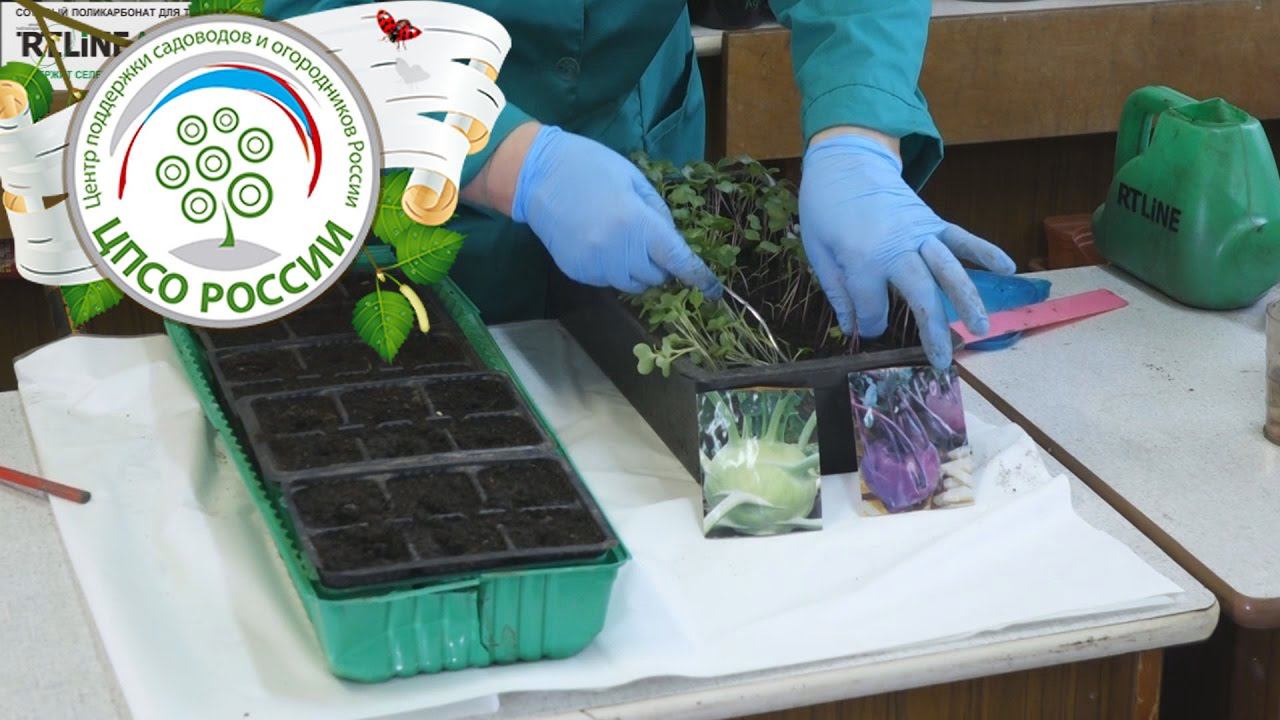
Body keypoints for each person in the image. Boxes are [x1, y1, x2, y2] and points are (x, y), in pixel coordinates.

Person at [266, 0, 1015, 368]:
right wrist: (512, 159)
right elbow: (308, 22)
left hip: (631, 136)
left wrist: (858, 134)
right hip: (393, 181)